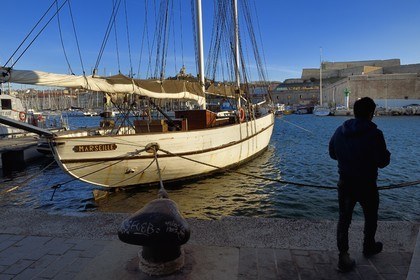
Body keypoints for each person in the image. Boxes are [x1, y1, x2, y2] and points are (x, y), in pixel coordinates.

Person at [329, 97, 391, 272]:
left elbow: (332, 154)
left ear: (354, 112)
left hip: (345, 183)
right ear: (371, 114)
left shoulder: (339, 131)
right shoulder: (375, 134)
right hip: (367, 184)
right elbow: (383, 161)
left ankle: (343, 256)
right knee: (370, 217)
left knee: (344, 220)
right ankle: (368, 245)